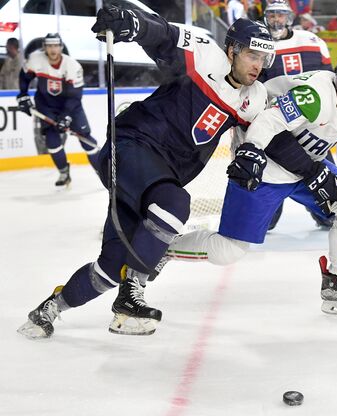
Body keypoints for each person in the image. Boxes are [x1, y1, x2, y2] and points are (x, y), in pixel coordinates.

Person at [17, 9, 275, 339]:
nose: (258, 65)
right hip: (130, 146)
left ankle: (50, 308)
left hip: (154, 179)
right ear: (232, 49)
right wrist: (135, 24)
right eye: (252, 54)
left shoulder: (253, 98)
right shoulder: (205, 55)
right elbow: (164, 35)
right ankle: (130, 298)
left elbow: (260, 140)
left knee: (111, 267)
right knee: (175, 202)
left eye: (264, 58)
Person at [166, 52, 337, 317]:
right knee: (228, 250)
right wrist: (252, 149)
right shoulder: (315, 96)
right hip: (267, 169)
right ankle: (165, 247)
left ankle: (335, 282)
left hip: (306, 168)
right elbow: (268, 121)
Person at [259, 0, 334, 229]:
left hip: (312, 126)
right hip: (276, 126)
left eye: (280, 15)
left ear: (289, 17)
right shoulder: (260, 44)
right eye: (272, 15)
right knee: (272, 177)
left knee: (322, 173)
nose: (276, 20)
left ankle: (326, 213)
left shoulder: (313, 41)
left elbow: (331, 80)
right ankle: (266, 218)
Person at [16, 33, 100, 187]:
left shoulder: (72, 65)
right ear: (44, 47)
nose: (52, 49)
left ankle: (103, 171)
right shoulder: (35, 59)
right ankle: (64, 172)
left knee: (86, 140)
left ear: (61, 47)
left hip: (71, 107)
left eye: (55, 45)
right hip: (46, 106)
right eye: (49, 46)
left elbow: (75, 96)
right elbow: (24, 76)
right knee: (52, 142)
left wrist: (66, 116)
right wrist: (23, 95)